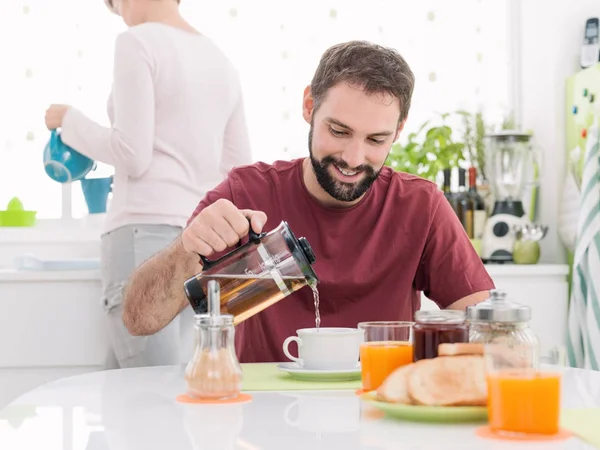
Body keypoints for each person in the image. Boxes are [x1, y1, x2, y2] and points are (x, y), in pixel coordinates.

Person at [121, 40, 495, 363]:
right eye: (338, 131)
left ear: (398, 131)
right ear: (308, 106)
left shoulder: (420, 206)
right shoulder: (244, 194)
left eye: (376, 140)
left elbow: (488, 327)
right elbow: (139, 320)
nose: (353, 157)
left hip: (377, 412)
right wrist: (187, 249)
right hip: (264, 418)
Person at [44, 0, 252, 369]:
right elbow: (237, 170)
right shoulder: (223, 62)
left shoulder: (136, 42)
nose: (118, 13)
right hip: (202, 241)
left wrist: (70, 121)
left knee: (148, 389)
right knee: (156, 378)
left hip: (142, 234)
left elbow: (132, 152)